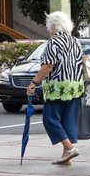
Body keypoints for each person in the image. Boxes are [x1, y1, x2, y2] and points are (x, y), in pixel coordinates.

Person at [27, 11, 84, 165]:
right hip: (75, 87)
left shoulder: (53, 42)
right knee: (68, 120)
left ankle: (70, 149)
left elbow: (48, 66)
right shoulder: (75, 41)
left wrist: (34, 82)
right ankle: (67, 155)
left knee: (50, 120)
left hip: (57, 88)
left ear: (53, 27)